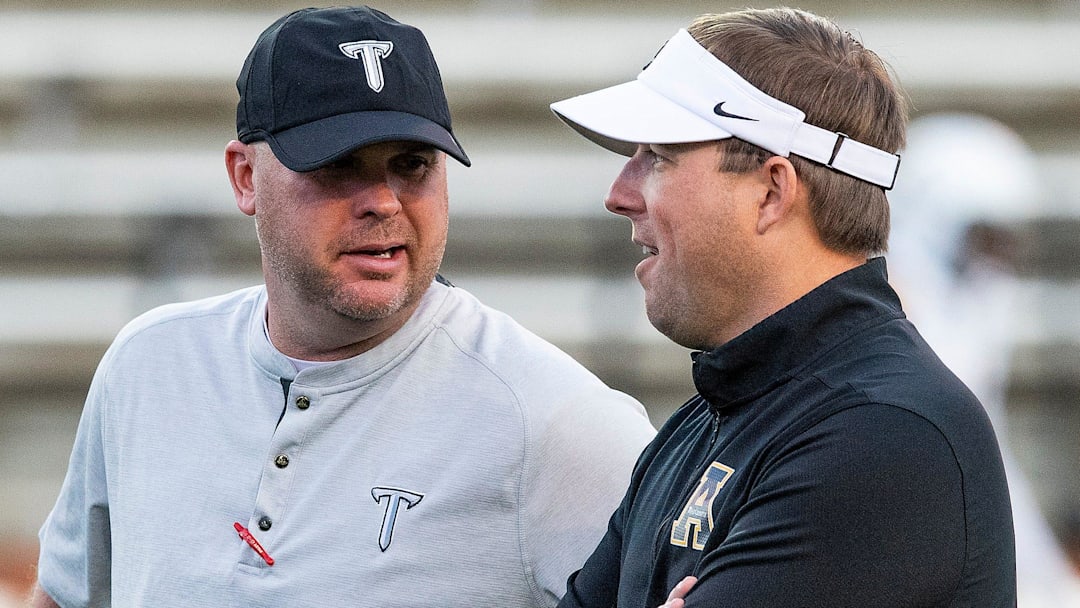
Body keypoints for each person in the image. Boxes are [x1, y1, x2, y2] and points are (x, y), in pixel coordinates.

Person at [31, 6, 655, 607]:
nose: (382, 201)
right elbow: (64, 597)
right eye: (337, 165)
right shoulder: (148, 364)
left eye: (412, 165)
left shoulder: (557, 421)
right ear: (245, 177)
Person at [548, 7, 1015, 608]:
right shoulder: (712, 419)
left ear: (772, 191)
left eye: (658, 156)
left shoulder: (883, 433)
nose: (618, 195)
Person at [889, 112, 1080, 608]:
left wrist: (1044, 573)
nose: (999, 250)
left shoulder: (980, 294)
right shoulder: (891, 295)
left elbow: (989, 445)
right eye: (985, 231)